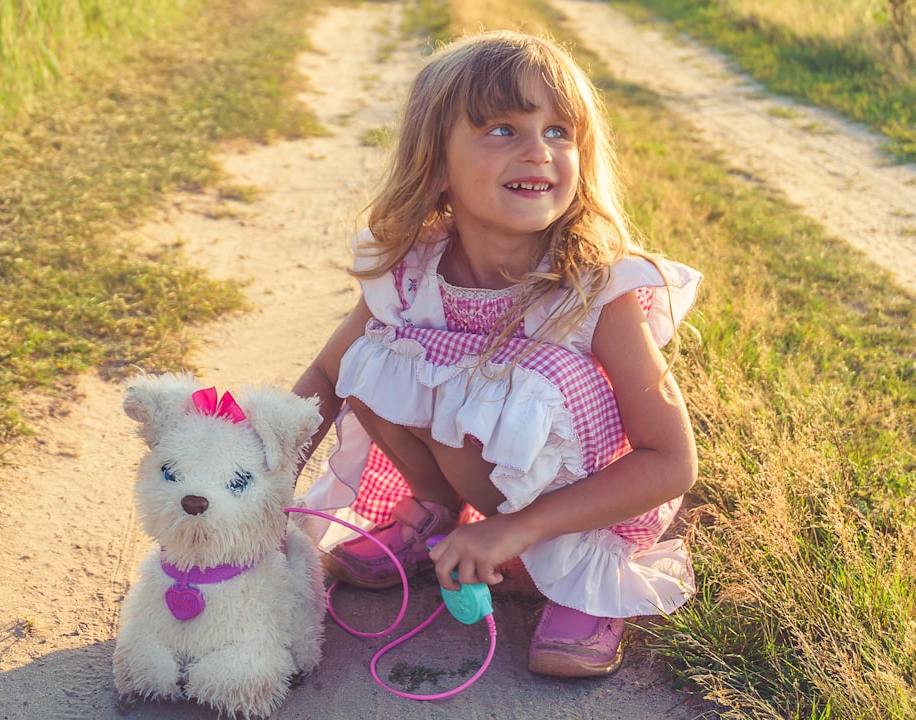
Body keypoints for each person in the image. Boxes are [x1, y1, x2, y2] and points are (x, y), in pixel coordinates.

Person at [292, 30, 702, 678]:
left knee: (542, 371)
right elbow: (327, 373)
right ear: (436, 165)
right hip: (477, 481)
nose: (539, 150)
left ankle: (576, 581)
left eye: (559, 131)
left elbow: (672, 462)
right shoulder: (414, 270)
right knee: (376, 352)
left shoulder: (594, 288)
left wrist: (513, 530)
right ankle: (439, 515)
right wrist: (263, 484)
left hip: (576, 510)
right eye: (503, 129)